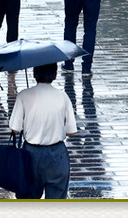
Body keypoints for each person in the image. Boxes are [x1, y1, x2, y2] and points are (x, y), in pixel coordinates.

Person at [8, 62, 77, 199]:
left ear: (34, 74)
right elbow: (71, 131)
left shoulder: (24, 95)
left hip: (30, 154)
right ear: (55, 75)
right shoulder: (63, 96)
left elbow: (15, 129)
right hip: (57, 155)